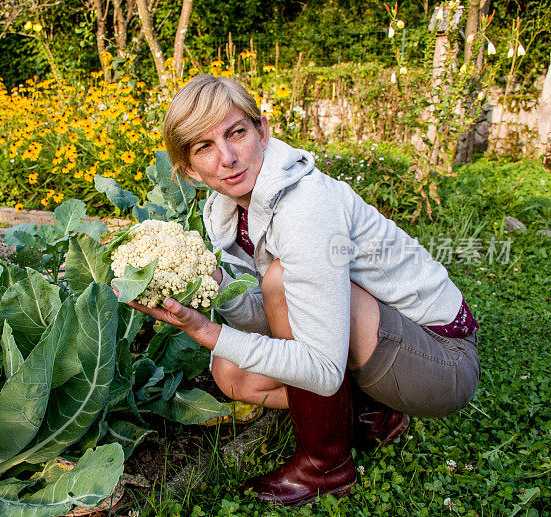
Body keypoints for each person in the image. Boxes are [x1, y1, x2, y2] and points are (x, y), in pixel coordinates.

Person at [122, 75, 481, 506]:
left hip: (442, 360)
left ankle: (325, 465)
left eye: (237, 132)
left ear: (263, 131)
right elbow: (271, 317)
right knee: (231, 376)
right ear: (187, 170)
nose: (229, 157)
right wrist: (218, 287)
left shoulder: (304, 205)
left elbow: (322, 367)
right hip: (376, 340)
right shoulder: (223, 209)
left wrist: (208, 332)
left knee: (280, 279)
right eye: (205, 147)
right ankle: (374, 412)